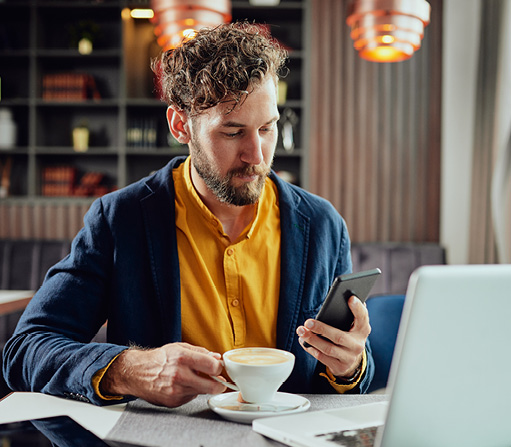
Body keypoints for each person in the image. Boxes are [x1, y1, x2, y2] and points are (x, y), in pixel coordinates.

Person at [2, 22, 374, 408]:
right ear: (181, 125)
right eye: (232, 132)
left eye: (267, 128)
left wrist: (350, 365)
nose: (258, 155)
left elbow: (349, 375)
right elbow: (26, 350)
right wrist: (131, 369)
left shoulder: (324, 224)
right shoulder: (120, 220)